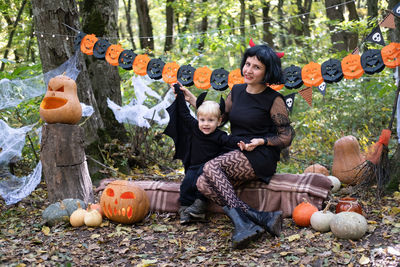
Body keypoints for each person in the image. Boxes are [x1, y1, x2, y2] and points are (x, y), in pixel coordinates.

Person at [179, 44, 295, 249]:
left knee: (210, 167)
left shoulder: (274, 99)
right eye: (247, 64)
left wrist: (262, 141)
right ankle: (261, 218)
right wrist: (193, 100)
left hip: (260, 154)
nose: (249, 70)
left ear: (267, 72)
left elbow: (286, 136)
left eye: (257, 67)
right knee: (202, 184)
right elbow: (218, 119)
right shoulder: (238, 90)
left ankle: (243, 223)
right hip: (235, 149)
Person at [167, 84, 250, 225]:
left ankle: (199, 207)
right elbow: (183, 113)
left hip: (208, 169)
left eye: (211, 120)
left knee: (203, 185)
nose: (206, 124)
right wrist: (180, 94)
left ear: (219, 121)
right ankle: (185, 209)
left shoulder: (220, 135)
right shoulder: (194, 127)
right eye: (202, 120)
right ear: (198, 119)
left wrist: (245, 142)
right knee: (186, 185)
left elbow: (231, 140)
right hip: (193, 166)